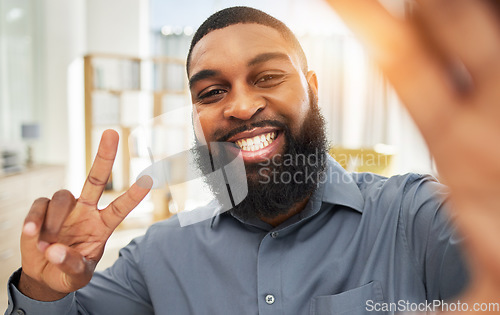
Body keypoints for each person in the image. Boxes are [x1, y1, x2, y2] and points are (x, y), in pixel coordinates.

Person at [5, 4, 490, 314]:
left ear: (312, 90)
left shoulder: (413, 217)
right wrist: (44, 290)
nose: (239, 106)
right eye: (213, 91)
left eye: (267, 77)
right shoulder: (157, 255)